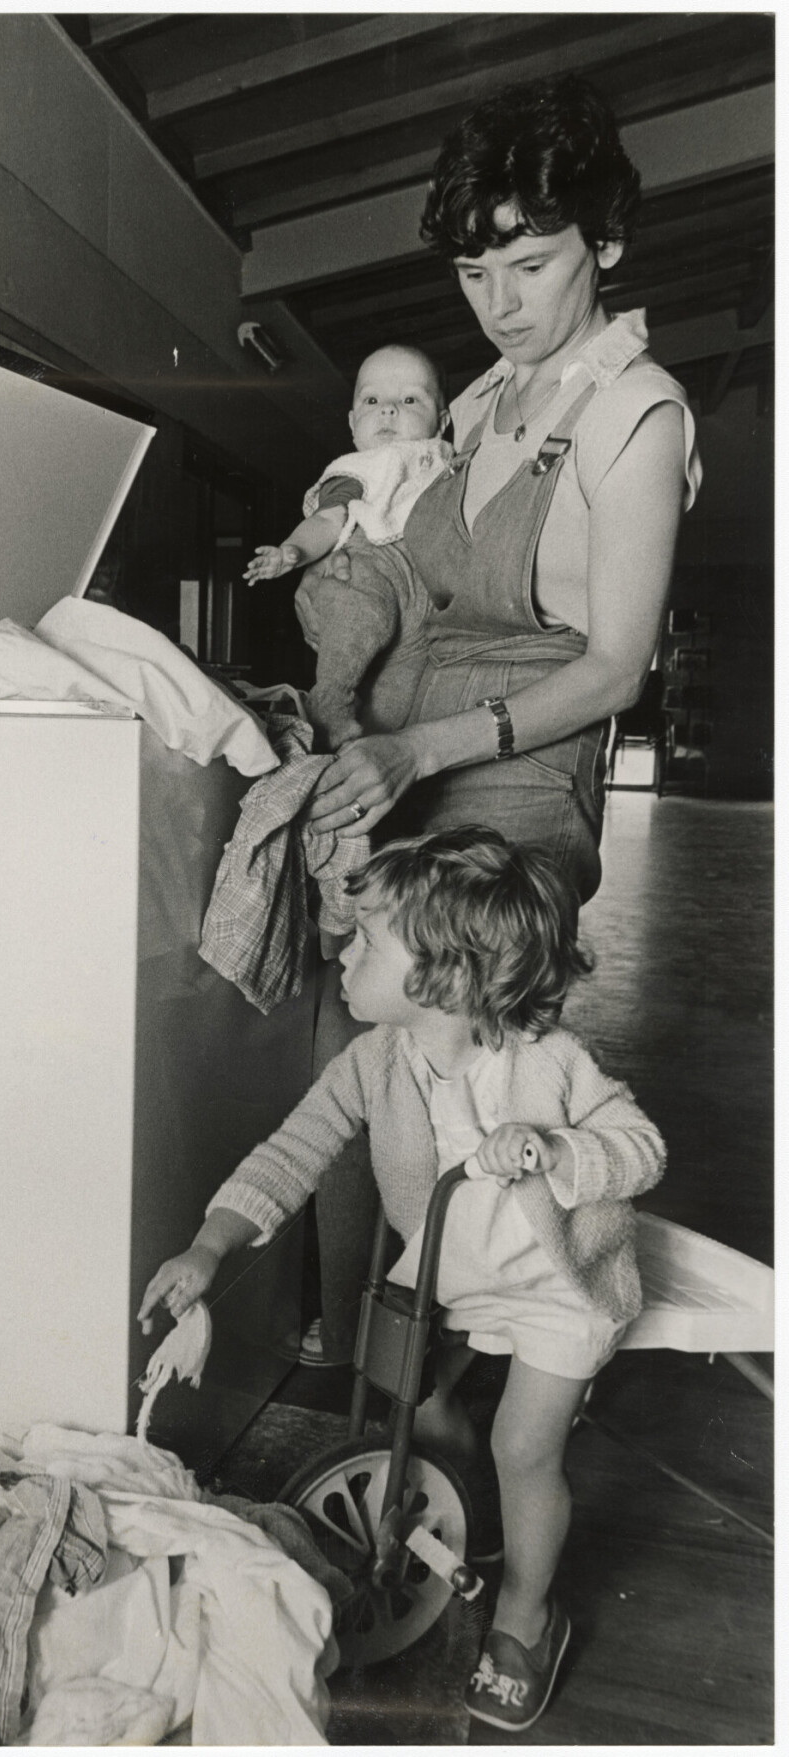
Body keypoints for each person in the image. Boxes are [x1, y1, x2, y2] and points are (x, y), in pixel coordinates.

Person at [296, 71, 701, 1369]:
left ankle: (461, 1363)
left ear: (607, 242)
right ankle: (366, 1358)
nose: (501, 305)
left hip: (518, 781)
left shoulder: (635, 415)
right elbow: (402, 568)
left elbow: (617, 669)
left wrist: (420, 747)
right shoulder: (474, 405)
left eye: (531, 265)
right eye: (475, 273)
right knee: (353, 1042)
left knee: (448, 1061)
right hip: (403, 753)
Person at [140, 828, 665, 1732]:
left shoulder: (547, 1061)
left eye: (367, 940)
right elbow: (292, 1152)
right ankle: (476, 1514)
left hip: (557, 1286)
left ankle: (527, 1615)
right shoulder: (373, 1062)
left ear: (446, 975)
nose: (342, 953)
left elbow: (642, 1148)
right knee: (417, 1404)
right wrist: (208, 1247)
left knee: (522, 1446)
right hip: (455, 1273)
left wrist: (557, 1148)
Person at [245, 345, 452, 751]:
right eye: (372, 401)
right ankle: (329, 701)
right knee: (359, 618)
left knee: (400, 696)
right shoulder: (359, 468)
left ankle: (372, 748)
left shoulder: (449, 464)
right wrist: (292, 551)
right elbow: (327, 519)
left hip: (422, 599)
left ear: (442, 422)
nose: (388, 409)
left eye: (410, 400)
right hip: (369, 567)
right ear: (353, 423)